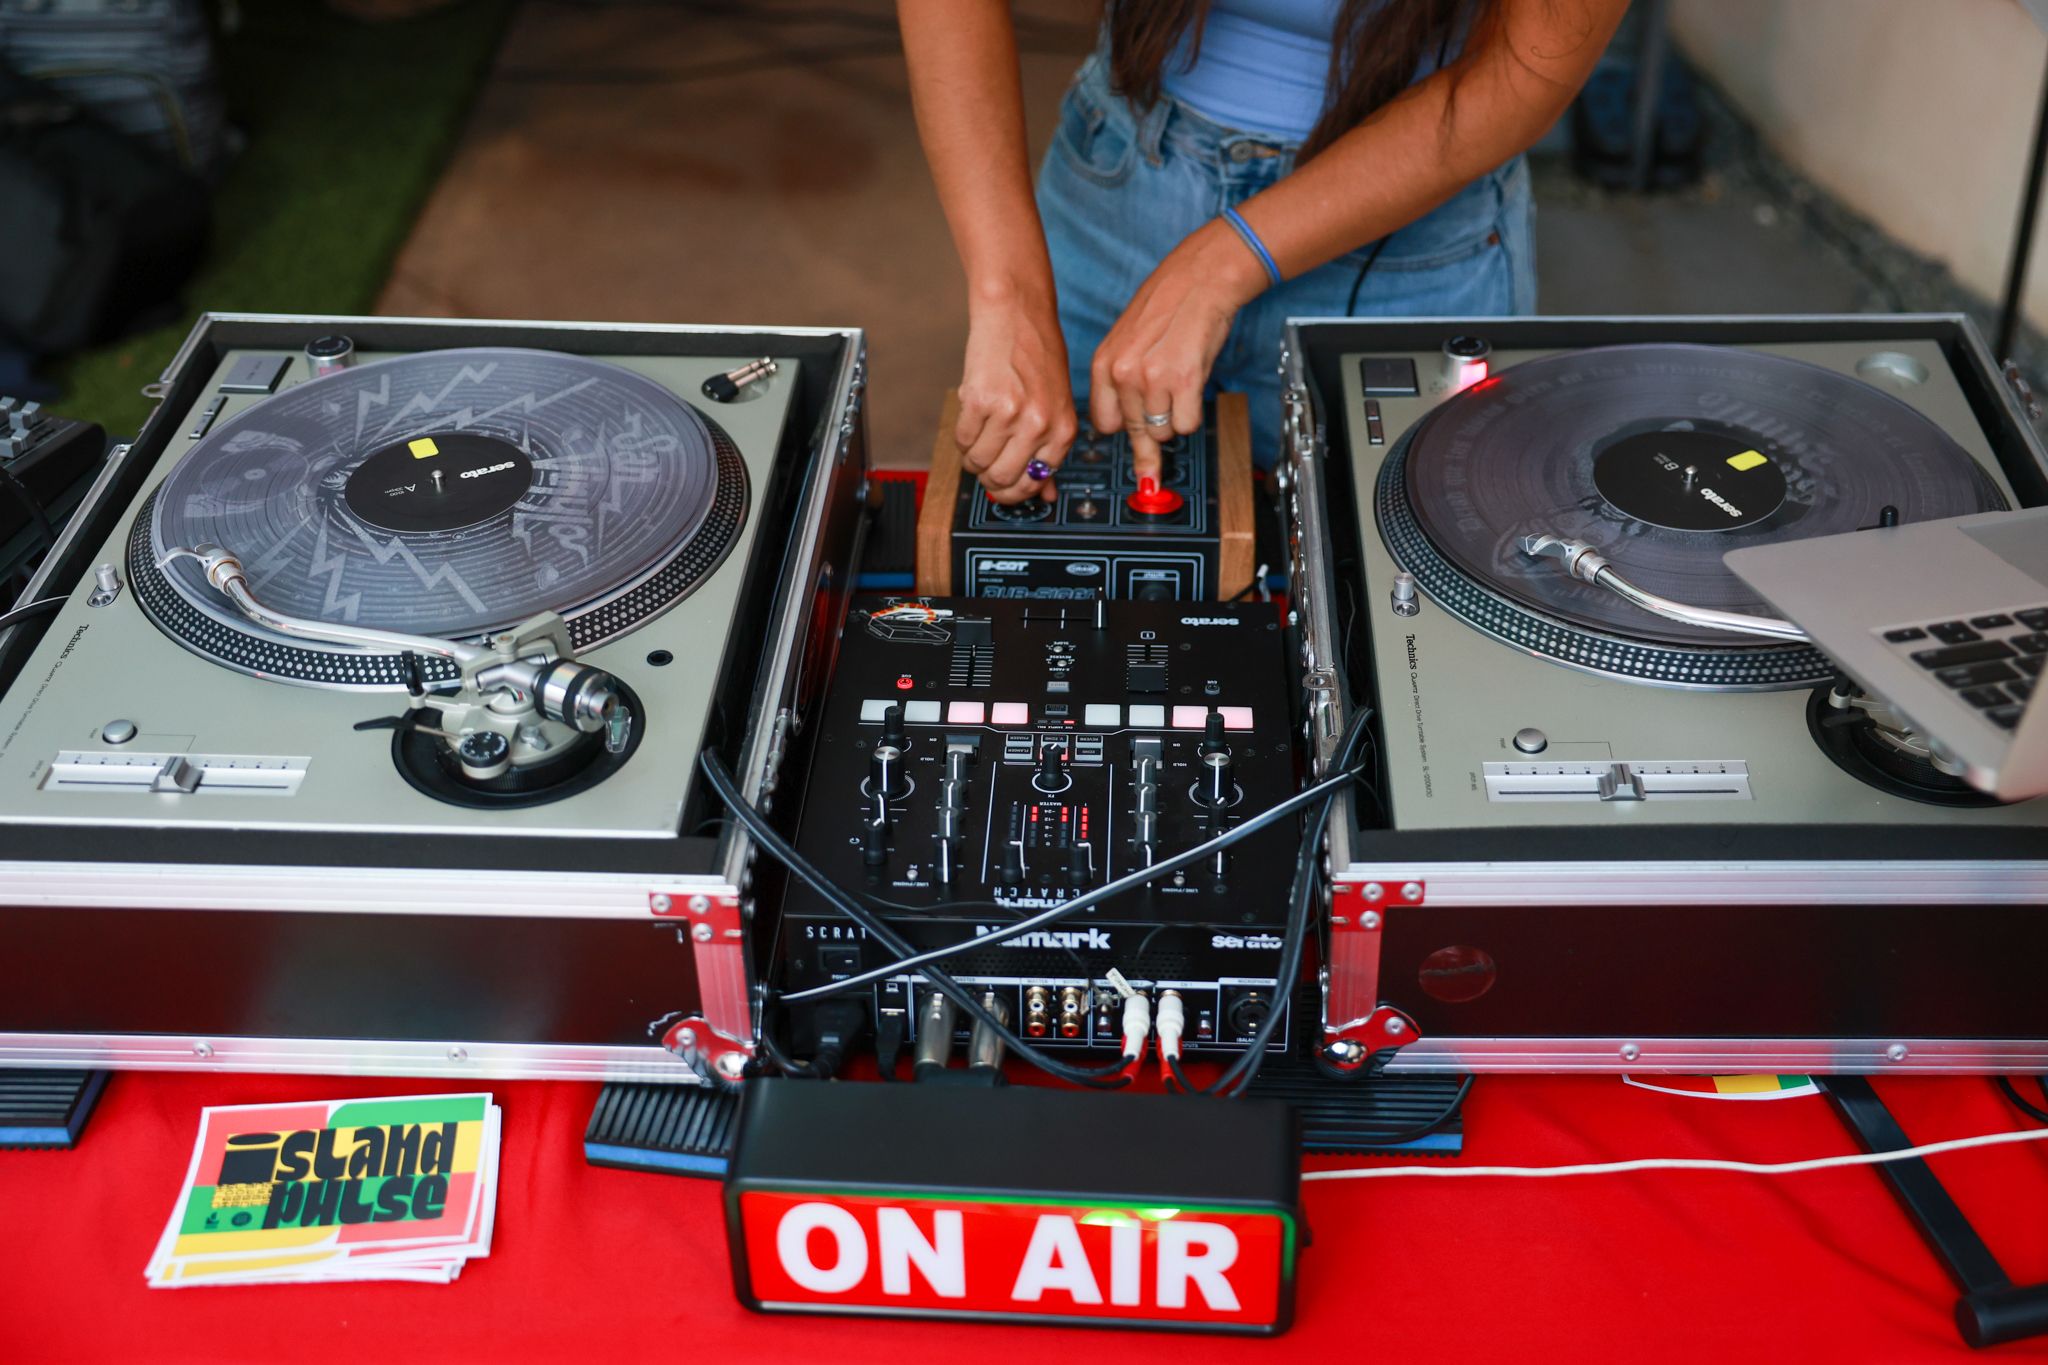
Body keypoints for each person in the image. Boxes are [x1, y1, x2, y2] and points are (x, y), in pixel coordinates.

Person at [899, 0, 1627, 502]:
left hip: (1413, 237)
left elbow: (1525, 71)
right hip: (1119, 186)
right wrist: (1011, 296)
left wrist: (1222, 262)